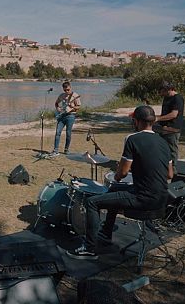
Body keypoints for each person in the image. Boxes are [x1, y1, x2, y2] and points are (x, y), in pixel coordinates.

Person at [67, 106, 173, 260]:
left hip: (143, 198)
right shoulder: (163, 142)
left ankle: (89, 249)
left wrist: (118, 174)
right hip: (163, 197)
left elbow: (122, 173)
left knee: (92, 203)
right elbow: (170, 174)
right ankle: (106, 232)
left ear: (136, 121)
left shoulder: (132, 139)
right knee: (115, 190)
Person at [155, 81, 184, 164]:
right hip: (164, 128)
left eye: (162, 91)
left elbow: (173, 114)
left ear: (168, 89)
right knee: (162, 149)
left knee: (172, 151)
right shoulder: (166, 98)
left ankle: (173, 170)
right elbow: (164, 113)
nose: (161, 93)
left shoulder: (177, 98)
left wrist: (158, 119)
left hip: (173, 129)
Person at [51, 81, 81, 155]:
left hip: (70, 116)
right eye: (65, 90)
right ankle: (55, 150)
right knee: (58, 132)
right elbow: (56, 103)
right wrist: (58, 108)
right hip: (62, 116)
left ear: (70, 87)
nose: (67, 91)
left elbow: (78, 107)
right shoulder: (62, 95)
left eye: (68, 89)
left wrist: (72, 106)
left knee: (68, 133)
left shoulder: (75, 95)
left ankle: (66, 149)